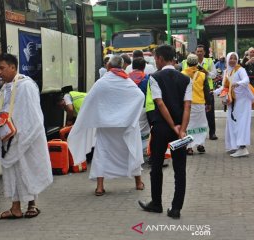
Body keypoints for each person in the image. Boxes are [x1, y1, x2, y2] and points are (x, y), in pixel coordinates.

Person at [0, 53, 53, 219]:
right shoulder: (8, 87)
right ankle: (15, 208)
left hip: (26, 139)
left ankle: (32, 204)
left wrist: (23, 137)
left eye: (2, 68)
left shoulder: (25, 86)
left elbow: (33, 116)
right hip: (11, 140)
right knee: (14, 173)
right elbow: (2, 111)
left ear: (13, 67)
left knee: (27, 171)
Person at [67, 55, 145, 196]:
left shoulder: (102, 82)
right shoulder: (127, 81)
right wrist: (128, 115)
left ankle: (100, 187)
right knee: (132, 150)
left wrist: (101, 115)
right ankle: (138, 183)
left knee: (102, 154)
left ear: (109, 66)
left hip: (106, 127)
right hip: (125, 126)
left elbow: (89, 100)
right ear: (122, 66)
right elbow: (140, 96)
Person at [138, 45, 191, 219]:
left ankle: (156, 203)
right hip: (179, 132)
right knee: (180, 169)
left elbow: (159, 103)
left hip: (161, 128)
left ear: (160, 58)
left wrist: (171, 125)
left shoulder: (155, 77)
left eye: (155, 58)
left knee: (156, 166)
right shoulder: (185, 79)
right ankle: (176, 208)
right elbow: (187, 106)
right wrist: (181, 129)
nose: (155, 61)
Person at [215, 52, 253, 157]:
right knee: (232, 124)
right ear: (227, 59)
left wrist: (238, 83)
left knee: (241, 124)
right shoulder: (226, 71)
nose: (232, 60)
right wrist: (214, 92)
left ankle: (243, 148)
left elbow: (246, 80)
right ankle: (234, 146)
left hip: (243, 101)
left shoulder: (240, 69)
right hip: (232, 101)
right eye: (230, 58)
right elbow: (224, 87)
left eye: (234, 58)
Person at [182, 45, 217, 140]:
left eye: (201, 51)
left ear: (204, 52)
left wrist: (206, 72)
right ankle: (199, 141)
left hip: (207, 91)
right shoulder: (186, 63)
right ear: (195, 52)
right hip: (195, 96)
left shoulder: (209, 61)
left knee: (210, 115)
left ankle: (212, 133)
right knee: (197, 121)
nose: (199, 53)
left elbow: (214, 75)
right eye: (198, 51)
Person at [128, 57, 151, 190]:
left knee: (133, 131)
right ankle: (142, 154)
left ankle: (134, 155)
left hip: (130, 110)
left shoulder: (126, 77)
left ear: (132, 67)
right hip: (143, 108)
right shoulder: (147, 78)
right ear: (144, 67)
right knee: (144, 132)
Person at [182, 54, 211, 155]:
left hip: (187, 104)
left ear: (187, 63)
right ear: (196, 63)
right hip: (200, 104)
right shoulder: (202, 75)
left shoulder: (182, 74)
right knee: (201, 124)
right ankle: (200, 145)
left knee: (188, 125)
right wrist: (209, 103)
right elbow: (206, 91)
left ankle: (189, 148)